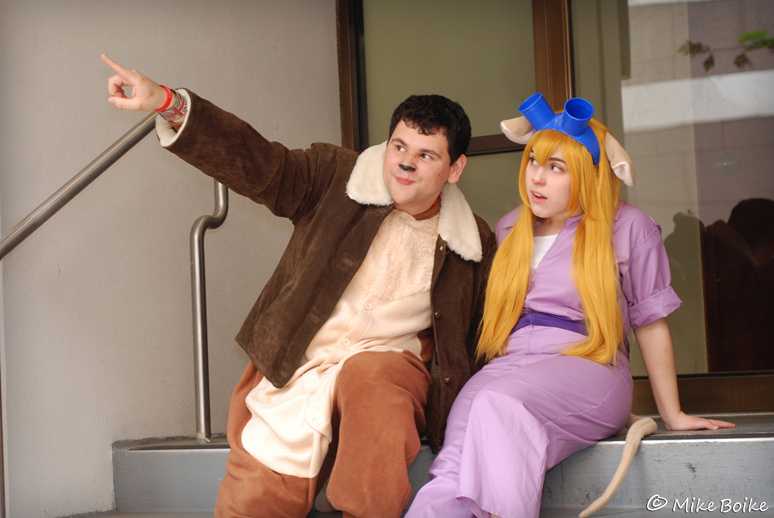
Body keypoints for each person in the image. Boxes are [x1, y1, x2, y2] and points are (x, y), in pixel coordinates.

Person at [101, 54, 496, 518]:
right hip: (300, 367)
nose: (405, 164)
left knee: (373, 378)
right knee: (250, 500)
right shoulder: (335, 177)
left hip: (389, 372)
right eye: (399, 147)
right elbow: (261, 164)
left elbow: (481, 338)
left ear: (455, 168)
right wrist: (169, 103)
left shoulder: (474, 243)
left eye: (426, 155)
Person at [405, 93, 735, 518]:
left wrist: (673, 414)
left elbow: (651, 323)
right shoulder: (510, 227)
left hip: (590, 366)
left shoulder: (628, 227)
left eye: (556, 168)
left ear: (587, 174)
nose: (536, 179)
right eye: (533, 162)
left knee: (497, 404)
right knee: (454, 458)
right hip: (511, 367)